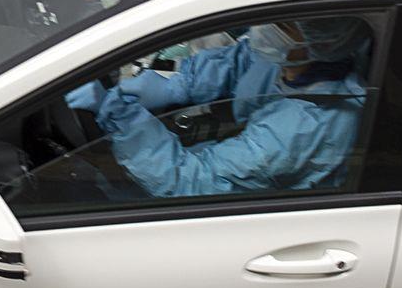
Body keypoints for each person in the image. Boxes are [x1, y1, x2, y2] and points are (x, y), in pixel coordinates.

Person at [65, 17, 372, 198]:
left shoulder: (305, 128)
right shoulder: (293, 59)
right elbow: (239, 61)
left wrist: (121, 117)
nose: (263, 29)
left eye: (283, 26)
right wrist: (176, 83)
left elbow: (189, 180)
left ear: (316, 43)